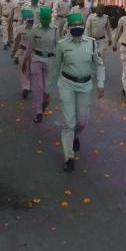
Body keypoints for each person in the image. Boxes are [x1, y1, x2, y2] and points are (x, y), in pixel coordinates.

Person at [48, 13, 105, 173]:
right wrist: (48, 89)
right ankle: (69, 157)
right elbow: (55, 68)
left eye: (80, 25)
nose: (78, 29)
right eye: (74, 26)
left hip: (85, 85)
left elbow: (99, 64)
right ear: (69, 28)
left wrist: (100, 83)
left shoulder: (92, 44)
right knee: (69, 122)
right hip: (67, 84)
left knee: (82, 121)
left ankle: (75, 136)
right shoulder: (62, 45)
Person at [22, 7, 60, 123]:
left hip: (50, 60)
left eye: (47, 18)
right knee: (38, 87)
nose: (45, 20)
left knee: (47, 88)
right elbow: (29, 47)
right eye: (43, 19)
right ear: (40, 18)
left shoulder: (55, 30)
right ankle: (38, 112)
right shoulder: (35, 30)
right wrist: (24, 60)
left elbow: (58, 47)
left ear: (50, 18)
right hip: (36, 59)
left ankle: (45, 101)